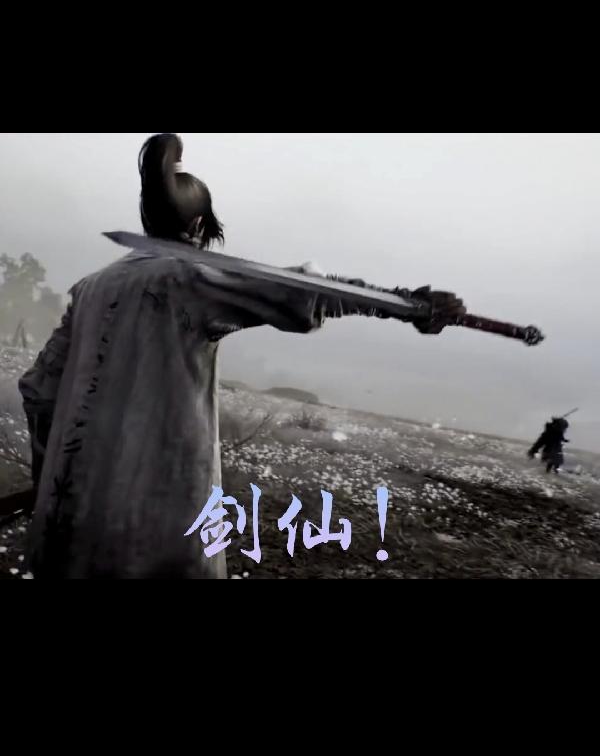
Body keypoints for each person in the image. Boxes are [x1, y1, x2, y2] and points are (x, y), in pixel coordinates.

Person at [19, 133, 467, 580]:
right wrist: (406, 304)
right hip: (154, 530)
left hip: (67, 534)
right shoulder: (186, 278)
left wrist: (49, 484)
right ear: (198, 227)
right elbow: (304, 293)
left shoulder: (91, 288)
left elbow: (39, 390)